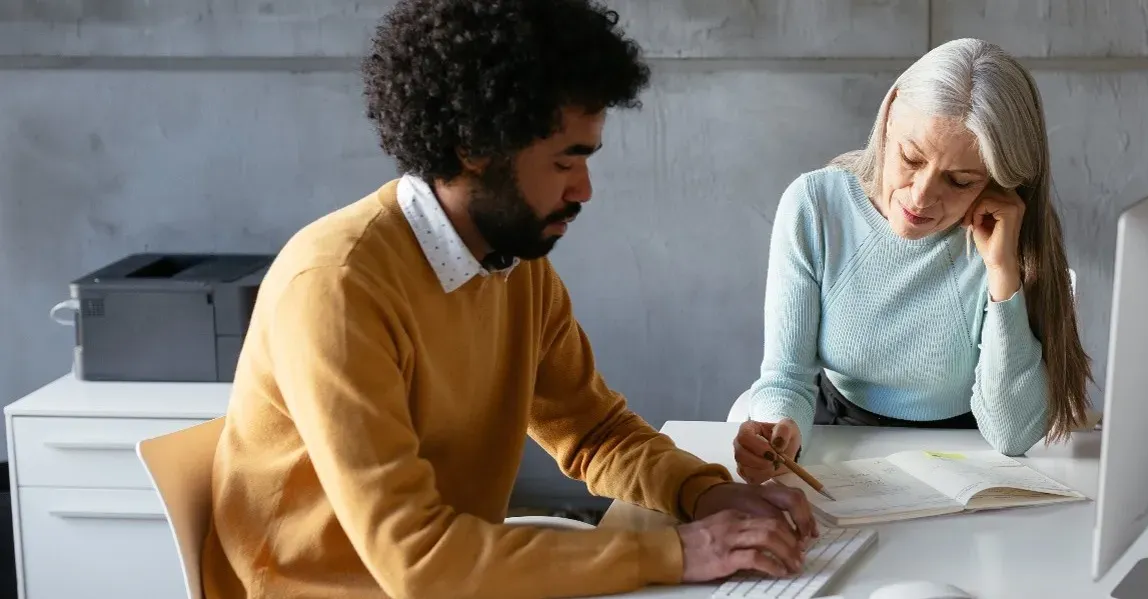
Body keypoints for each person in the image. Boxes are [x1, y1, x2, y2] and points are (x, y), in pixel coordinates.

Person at [200, 1, 817, 597]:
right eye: (564, 161)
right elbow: (419, 561)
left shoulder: (511, 262)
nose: (585, 190)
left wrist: (703, 494)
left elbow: (594, 431)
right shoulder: (337, 288)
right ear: (475, 147)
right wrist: (680, 552)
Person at [733, 38, 1093, 484]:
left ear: (1000, 183)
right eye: (910, 158)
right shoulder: (816, 206)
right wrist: (779, 428)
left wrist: (1003, 275)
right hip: (835, 438)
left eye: (960, 181)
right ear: (889, 114)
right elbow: (787, 378)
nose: (921, 196)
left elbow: (1012, 433)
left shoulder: (1005, 234)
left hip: (969, 461)